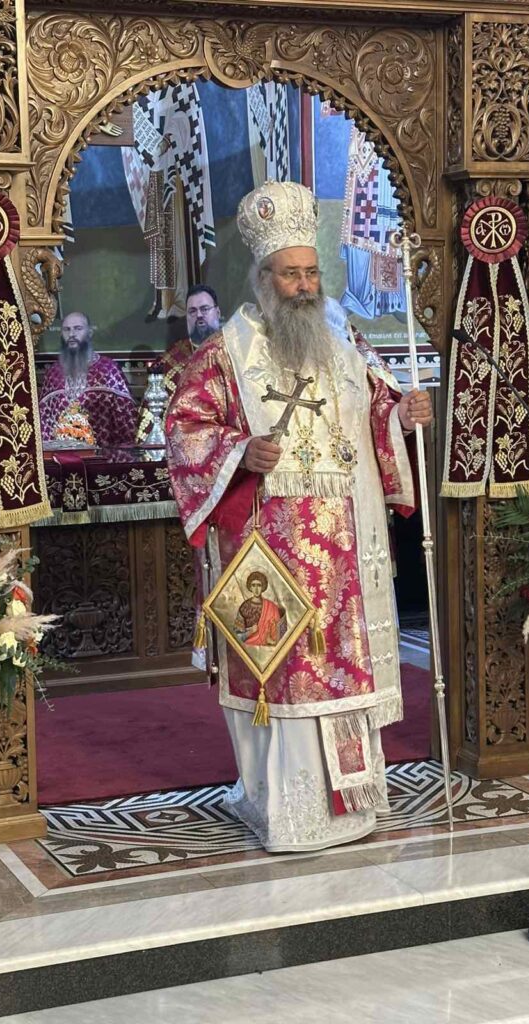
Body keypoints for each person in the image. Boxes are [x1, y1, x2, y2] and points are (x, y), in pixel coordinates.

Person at [166, 180, 432, 853]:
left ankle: (351, 803)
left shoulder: (344, 341)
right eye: (291, 274)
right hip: (270, 550)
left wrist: (401, 416)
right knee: (283, 673)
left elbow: (375, 410)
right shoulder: (226, 351)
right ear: (264, 277)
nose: (305, 286)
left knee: (343, 669)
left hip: (346, 546)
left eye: (312, 272)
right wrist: (239, 450)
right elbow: (185, 428)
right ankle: (285, 807)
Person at [136, 286, 222, 443]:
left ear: (217, 312)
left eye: (204, 309)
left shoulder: (234, 353)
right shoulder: (169, 363)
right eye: (192, 311)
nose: (199, 315)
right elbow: (150, 426)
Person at [38, 312, 137, 449]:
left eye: (78, 328)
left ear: (89, 332)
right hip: (61, 457)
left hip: (103, 455)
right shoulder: (53, 373)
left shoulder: (108, 369)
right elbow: (44, 422)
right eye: (67, 329)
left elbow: (126, 421)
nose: (72, 334)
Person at [234, 571, 286, 647]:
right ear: (250, 587)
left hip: (268, 647)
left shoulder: (271, 607)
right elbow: (237, 635)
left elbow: (279, 634)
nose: (256, 589)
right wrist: (251, 631)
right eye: (253, 585)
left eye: (259, 585)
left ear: (263, 587)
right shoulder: (244, 607)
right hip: (249, 647)